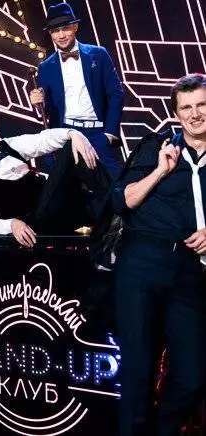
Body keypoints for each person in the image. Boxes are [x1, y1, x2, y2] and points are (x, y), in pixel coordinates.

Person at [112, 73, 206, 435]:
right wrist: (159, 172)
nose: (195, 114)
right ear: (176, 114)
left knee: (194, 375)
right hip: (143, 262)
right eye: (187, 107)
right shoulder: (157, 146)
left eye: (201, 105)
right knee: (137, 368)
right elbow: (123, 200)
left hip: (189, 270)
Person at [0, 101, 109, 247]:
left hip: (60, 209)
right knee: (70, 151)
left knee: (99, 200)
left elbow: (42, 140)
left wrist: (74, 134)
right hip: (37, 225)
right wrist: (11, 224)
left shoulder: (9, 146)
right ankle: (117, 200)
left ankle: (117, 206)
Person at [29, 2, 124, 177]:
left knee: (114, 186)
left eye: (65, 28)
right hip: (66, 134)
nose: (61, 35)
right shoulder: (46, 67)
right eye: (55, 31)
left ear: (75, 27)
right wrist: (37, 104)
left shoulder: (99, 54)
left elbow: (116, 94)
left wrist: (110, 133)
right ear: (50, 34)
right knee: (70, 189)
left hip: (99, 134)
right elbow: (47, 111)